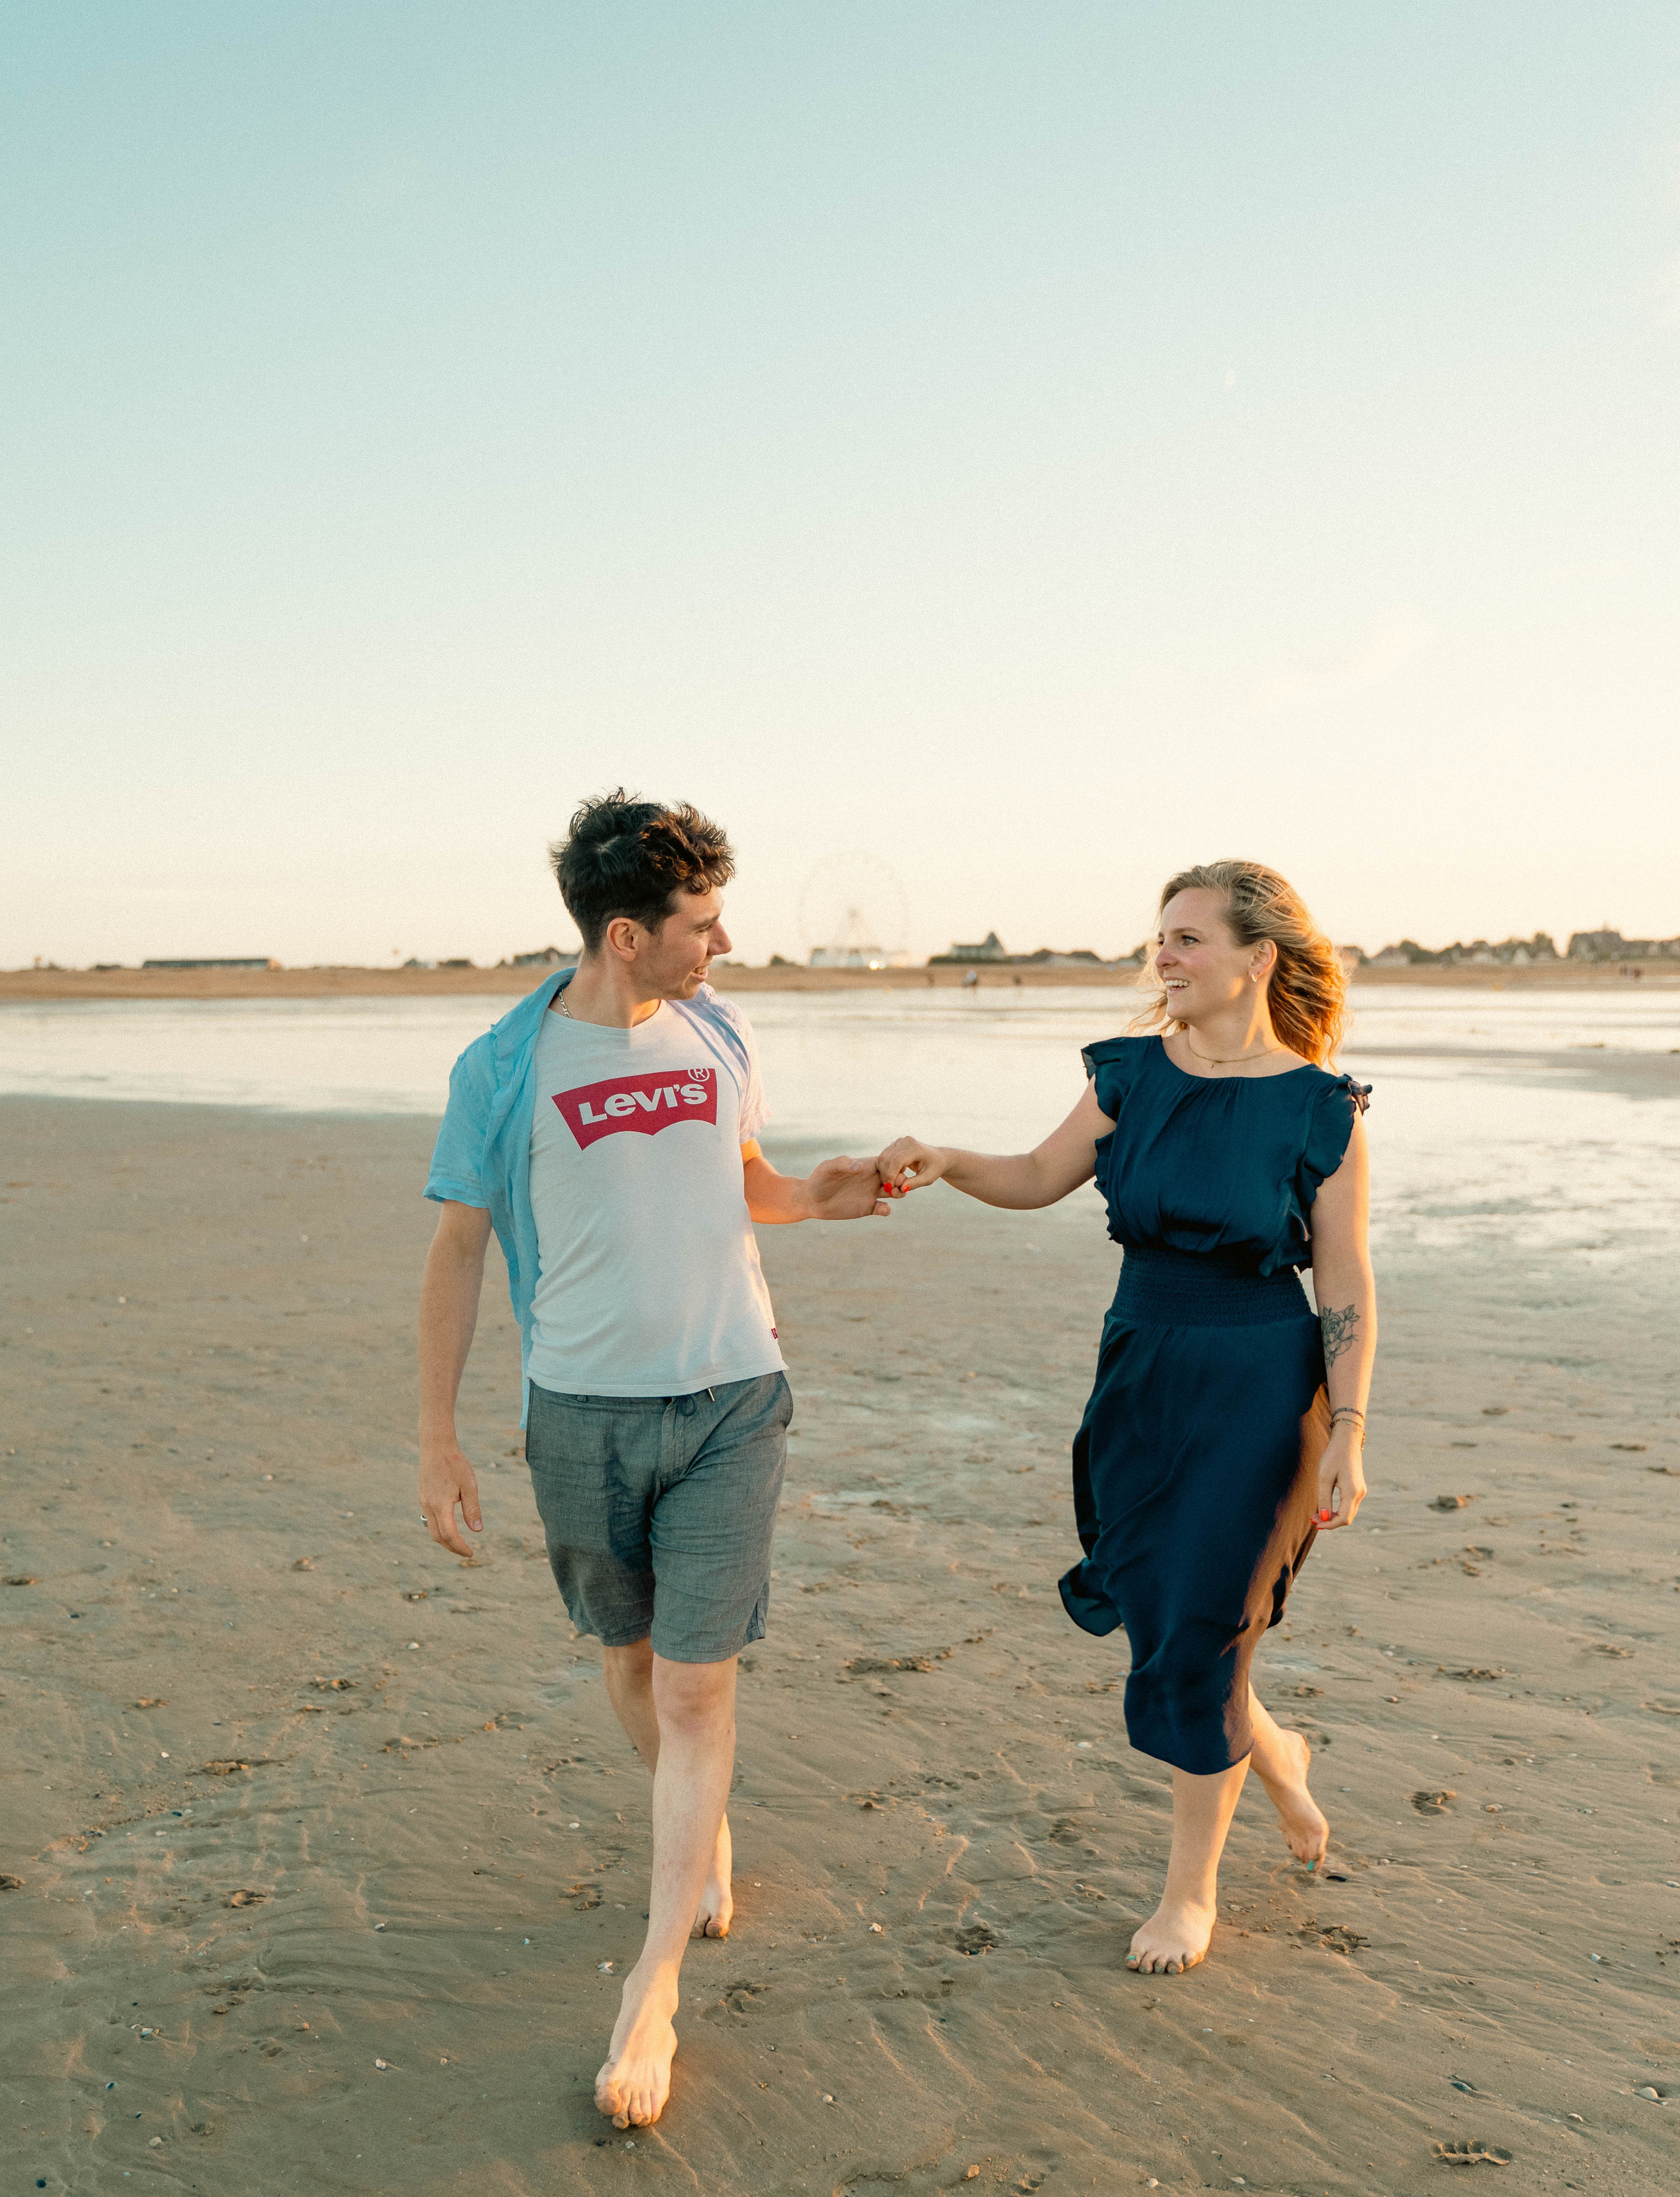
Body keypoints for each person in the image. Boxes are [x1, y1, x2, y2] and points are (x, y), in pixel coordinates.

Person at [417, 791, 891, 2126]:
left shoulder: (721, 1030)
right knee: (629, 1669)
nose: (720, 942)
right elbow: (456, 1253)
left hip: (734, 1399)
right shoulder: (502, 1070)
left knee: (696, 1695)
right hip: (577, 1415)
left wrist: (818, 1194)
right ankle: (703, 1828)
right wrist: (436, 1437)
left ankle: (654, 1987)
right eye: (698, 923)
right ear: (625, 935)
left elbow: (740, 1178)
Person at [877, 859, 1376, 1977]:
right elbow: (1042, 1174)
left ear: (1260, 957)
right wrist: (950, 1160)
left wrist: (1350, 1425)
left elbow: (1344, 1279)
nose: (1166, 957)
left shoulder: (1318, 1106)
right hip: (1143, 1370)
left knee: (1205, 1623)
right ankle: (1274, 1751)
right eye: (1162, 938)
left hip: (1262, 1384)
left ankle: (1189, 1897)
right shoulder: (1130, 1077)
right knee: (1160, 1604)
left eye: (1191, 939)